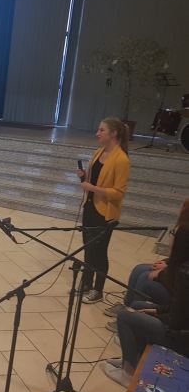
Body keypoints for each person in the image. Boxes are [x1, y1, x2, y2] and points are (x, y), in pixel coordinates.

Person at [103, 223, 189, 387]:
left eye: (173, 234)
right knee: (137, 305)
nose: (170, 237)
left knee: (126, 316)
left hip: (181, 340)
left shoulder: (185, 273)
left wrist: (157, 315)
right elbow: (178, 308)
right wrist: (155, 310)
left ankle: (128, 373)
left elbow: (176, 322)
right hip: (179, 327)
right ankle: (132, 359)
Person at [103, 199, 189, 331]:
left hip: (177, 286)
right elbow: (179, 257)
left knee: (145, 278)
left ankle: (132, 318)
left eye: (184, 207)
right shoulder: (183, 227)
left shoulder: (185, 231)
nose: (180, 209)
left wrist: (162, 272)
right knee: (139, 269)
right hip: (173, 271)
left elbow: (181, 268)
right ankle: (127, 307)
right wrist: (166, 263)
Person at [76, 117, 131, 304]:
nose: (97, 133)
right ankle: (86, 282)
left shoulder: (121, 159)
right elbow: (95, 181)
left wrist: (92, 188)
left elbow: (118, 193)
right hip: (90, 207)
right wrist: (84, 177)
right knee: (88, 248)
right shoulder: (98, 152)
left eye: (101, 130)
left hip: (105, 213)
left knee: (99, 252)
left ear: (113, 133)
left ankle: (97, 290)